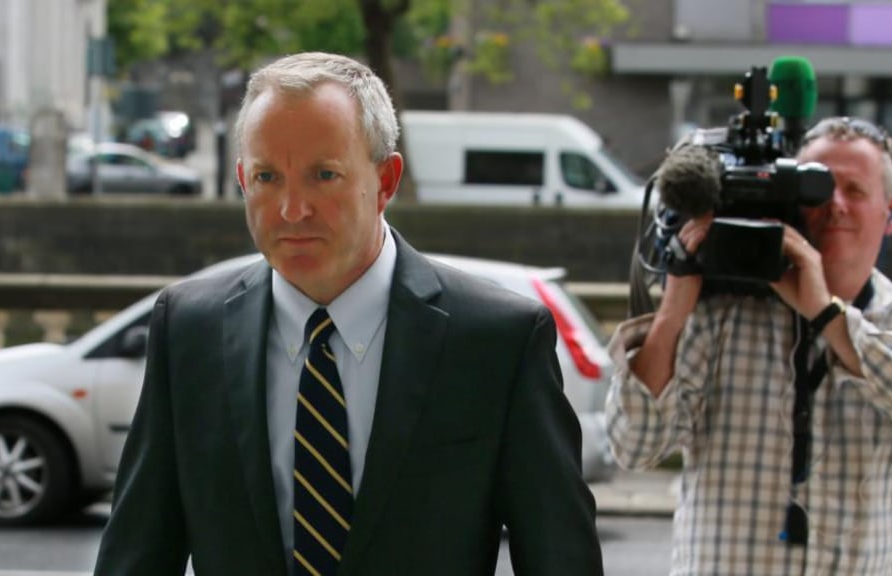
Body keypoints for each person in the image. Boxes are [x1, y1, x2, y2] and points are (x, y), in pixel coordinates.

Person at [94, 52, 603, 576]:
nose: (292, 209)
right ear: (242, 180)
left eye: (323, 175)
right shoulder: (188, 330)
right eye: (268, 177)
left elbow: (561, 559)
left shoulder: (497, 341)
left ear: (386, 181)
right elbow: (136, 555)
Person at [606, 116, 892, 575]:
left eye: (855, 191)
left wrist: (828, 315)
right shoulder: (724, 310)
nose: (835, 205)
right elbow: (633, 446)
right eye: (817, 188)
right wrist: (674, 309)